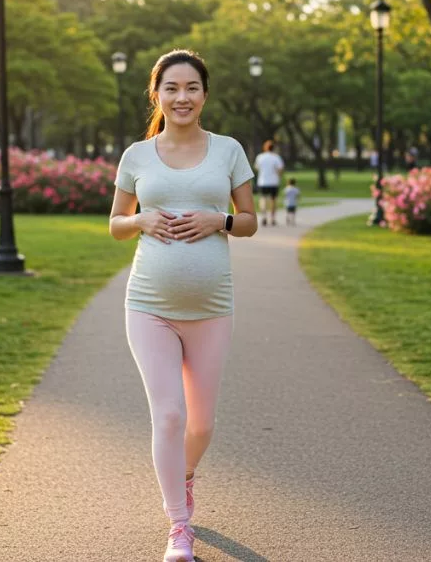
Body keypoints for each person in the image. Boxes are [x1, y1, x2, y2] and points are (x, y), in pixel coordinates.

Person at [107, 49, 258, 562]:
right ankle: (178, 527)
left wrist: (222, 221)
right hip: (148, 305)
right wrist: (142, 221)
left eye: (191, 87)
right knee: (169, 416)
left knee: (201, 425)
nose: (182, 97)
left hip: (212, 307)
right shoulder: (137, 156)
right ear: (157, 94)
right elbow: (115, 225)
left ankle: (185, 474)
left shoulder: (228, 151)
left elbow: (252, 220)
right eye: (171, 87)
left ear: (204, 94)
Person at [253, 140, 284, 226]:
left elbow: (256, 167)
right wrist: (278, 176)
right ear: (273, 148)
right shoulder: (276, 157)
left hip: (263, 182)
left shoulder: (260, 157)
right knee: (273, 200)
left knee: (263, 199)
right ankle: (273, 218)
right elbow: (280, 169)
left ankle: (264, 217)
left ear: (265, 148)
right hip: (274, 182)